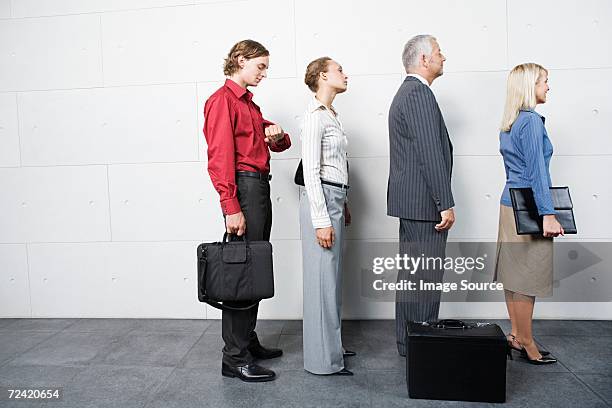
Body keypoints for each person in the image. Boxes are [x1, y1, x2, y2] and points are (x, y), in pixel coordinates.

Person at [203, 39, 290, 382]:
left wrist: (276, 136)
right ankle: (234, 357)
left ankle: (247, 340)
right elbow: (219, 158)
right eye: (261, 66)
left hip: (258, 186)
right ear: (240, 60)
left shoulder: (249, 106)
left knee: (252, 267)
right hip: (244, 189)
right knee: (241, 272)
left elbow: (279, 143)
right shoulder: (222, 102)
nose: (264, 73)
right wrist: (230, 206)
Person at [387, 34, 455, 356]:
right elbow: (431, 153)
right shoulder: (418, 94)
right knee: (425, 279)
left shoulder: (408, 93)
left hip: (413, 202)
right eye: (439, 53)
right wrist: (445, 204)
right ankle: (422, 347)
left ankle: (408, 343)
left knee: (413, 275)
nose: (444, 57)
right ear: (424, 59)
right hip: (425, 205)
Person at [495, 63, 561, 364]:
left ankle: (517, 336)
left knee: (514, 276)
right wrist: (548, 213)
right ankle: (527, 341)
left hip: (509, 204)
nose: (548, 86)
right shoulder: (531, 122)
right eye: (544, 81)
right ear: (529, 86)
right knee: (528, 278)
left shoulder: (510, 122)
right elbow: (537, 173)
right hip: (530, 207)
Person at [300, 57, 355, 375]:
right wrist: (321, 220)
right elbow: (311, 170)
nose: (345, 74)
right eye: (339, 70)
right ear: (323, 76)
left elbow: (336, 167)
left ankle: (332, 349)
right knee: (322, 282)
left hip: (335, 197)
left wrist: (343, 203)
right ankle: (323, 362)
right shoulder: (314, 117)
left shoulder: (332, 115)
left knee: (331, 280)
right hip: (321, 199)